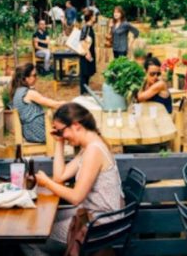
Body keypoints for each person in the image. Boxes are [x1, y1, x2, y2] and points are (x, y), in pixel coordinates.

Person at [24, 103, 123, 256]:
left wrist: (46, 183)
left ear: (76, 125)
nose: (61, 135)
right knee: (48, 221)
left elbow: (76, 197)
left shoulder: (94, 150)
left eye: (62, 131)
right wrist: (59, 142)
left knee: (30, 240)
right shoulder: (89, 147)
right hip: (94, 215)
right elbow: (60, 176)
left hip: (100, 225)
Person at [10, 64, 64, 143]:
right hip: (39, 133)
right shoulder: (29, 93)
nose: (37, 78)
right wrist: (73, 104)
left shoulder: (17, 92)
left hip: (29, 132)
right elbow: (53, 104)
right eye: (34, 75)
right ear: (26, 78)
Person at [78, 8, 96, 95]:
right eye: (94, 15)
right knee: (84, 74)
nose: (95, 17)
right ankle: (83, 93)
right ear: (91, 17)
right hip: (85, 53)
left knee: (87, 73)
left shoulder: (89, 27)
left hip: (88, 52)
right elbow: (82, 40)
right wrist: (87, 53)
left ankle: (86, 91)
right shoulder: (86, 27)